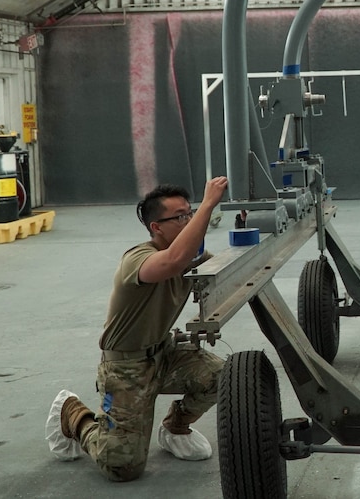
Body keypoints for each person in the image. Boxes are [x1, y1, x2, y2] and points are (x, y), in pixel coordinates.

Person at [45, 177, 229, 481]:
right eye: (181, 217)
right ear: (156, 227)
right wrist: (209, 204)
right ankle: (73, 413)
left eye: (190, 212)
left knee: (226, 377)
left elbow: (215, 268)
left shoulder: (189, 258)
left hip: (164, 354)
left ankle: (175, 428)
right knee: (122, 467)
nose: (189, 220)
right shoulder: (138, 259)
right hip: (125, 367)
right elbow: (172, 262)